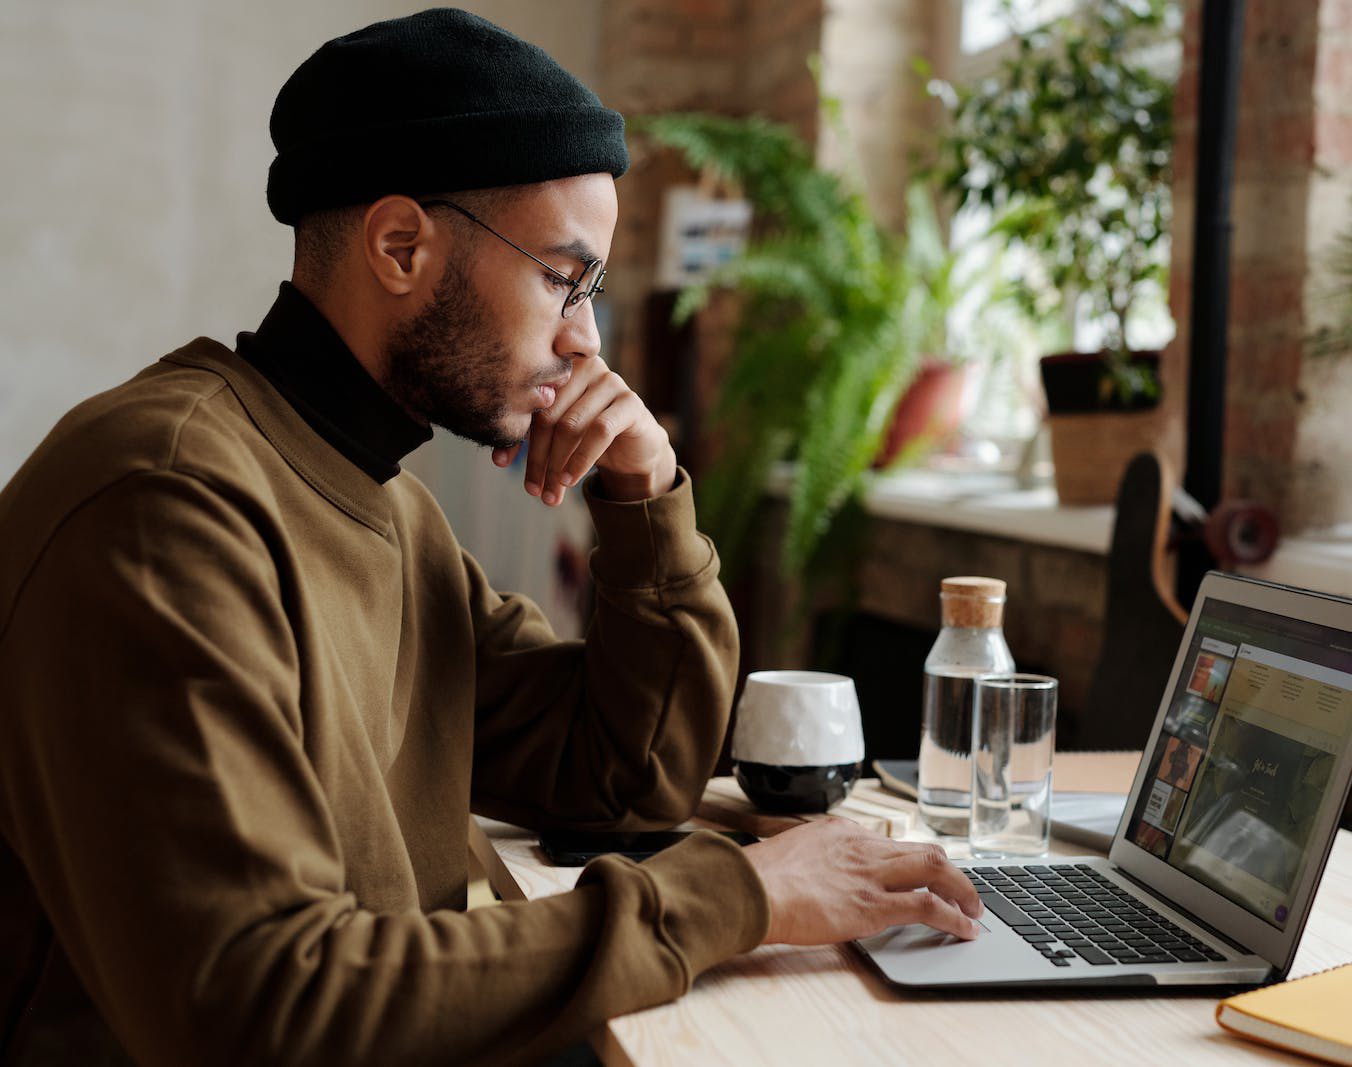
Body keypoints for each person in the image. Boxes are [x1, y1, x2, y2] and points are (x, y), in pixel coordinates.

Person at [0, 10, 980, 1064]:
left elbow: (621, 774)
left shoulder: (386, 507)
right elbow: (259, 1007)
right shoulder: (166, 503)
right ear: (400, 245)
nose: (586, 338)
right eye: (564, 278)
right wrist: (734, 895)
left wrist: (647, 499)